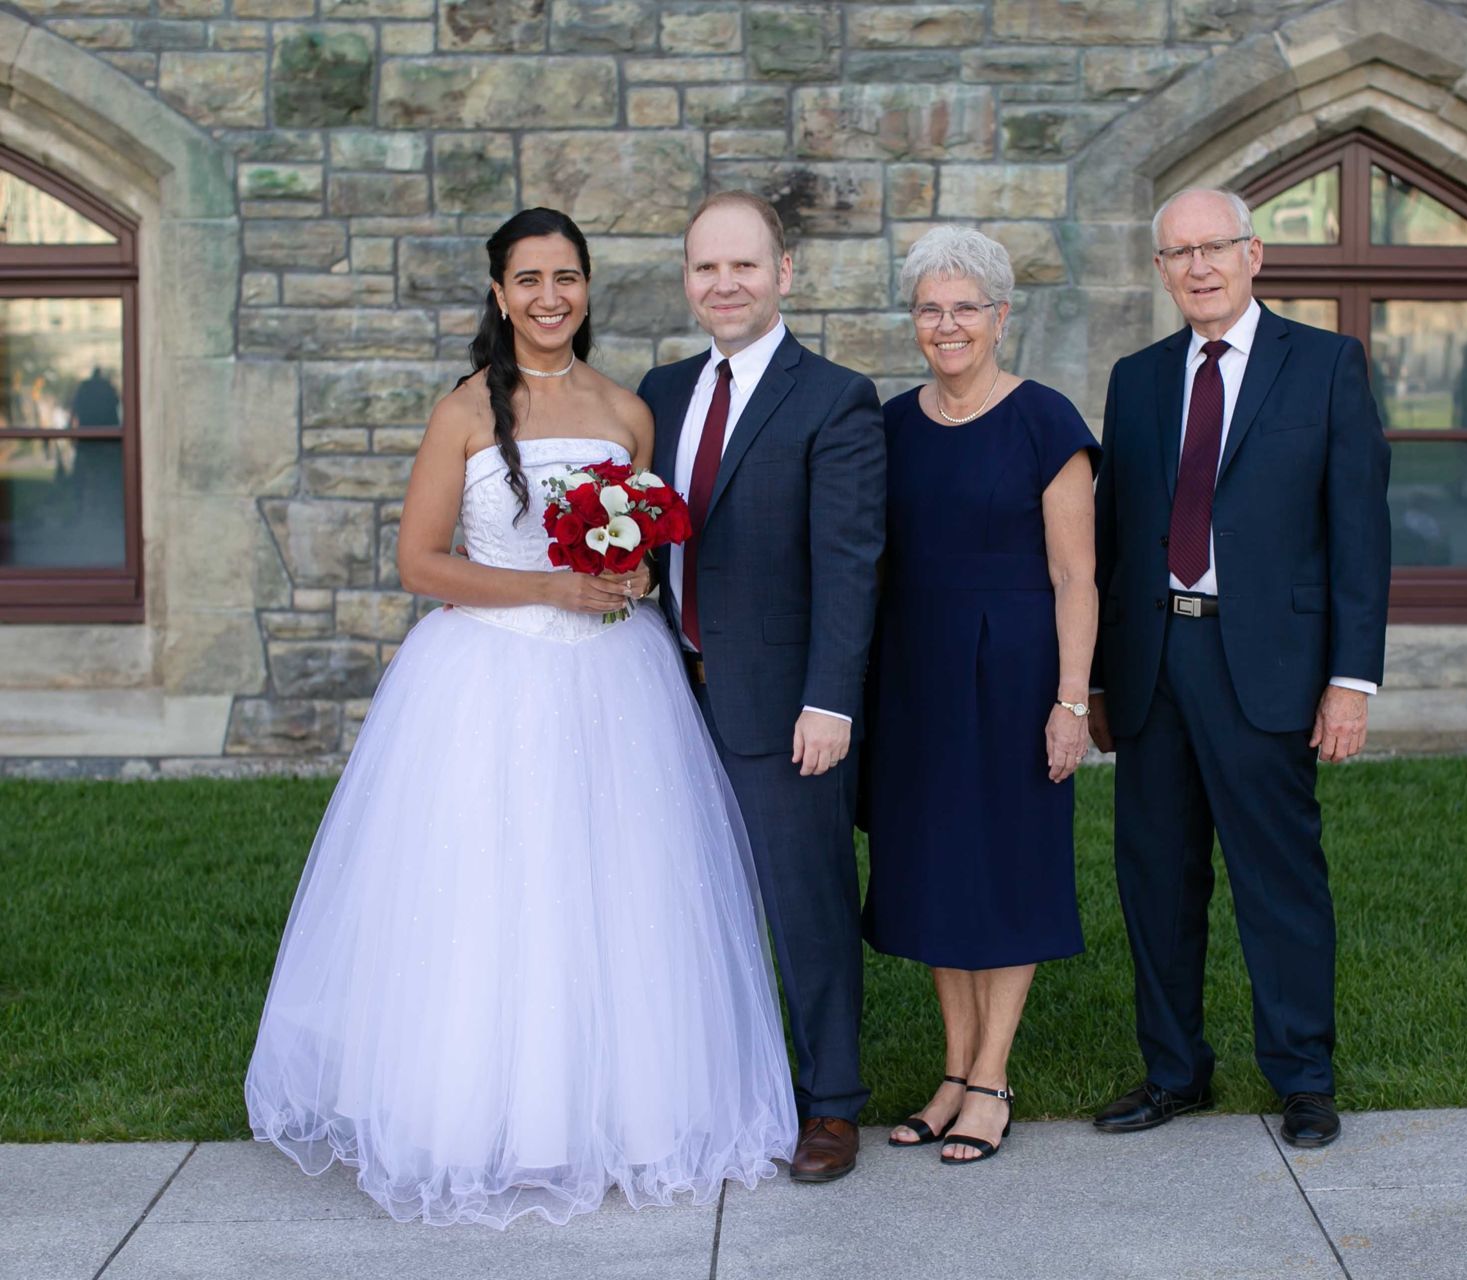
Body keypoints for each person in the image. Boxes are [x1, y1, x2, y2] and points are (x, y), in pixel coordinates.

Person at [245, 208, 796, 1228]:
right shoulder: (462, 410)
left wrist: (626, 574)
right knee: (489, 886)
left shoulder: (630, 412)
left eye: (568, 277)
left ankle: (624, 1114)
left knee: (616, 884)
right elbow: (421, 563)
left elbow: (640, 548)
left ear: (588, 288)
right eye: (529, 279)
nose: (551, 297)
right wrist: (548, 581)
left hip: (615, 681)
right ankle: (474, 1118)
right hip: (488, 677)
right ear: (499, 294)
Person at [1088, 188, 1390, 1149]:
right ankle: (1175, 1071)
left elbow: (1361, 535)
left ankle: (1303, 1076)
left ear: (1255, 254)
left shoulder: (1326, 366)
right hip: (1153, 659)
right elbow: (1113, 537)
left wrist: (1352, 679)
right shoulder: (1135, 380)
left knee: (1277, 876)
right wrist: (1096, 677)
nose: (1200, 266)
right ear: (1162, 270)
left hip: (1264, 660)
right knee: (1157, 877)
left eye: (1216, 246)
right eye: (1179, 253)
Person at [634, 191, 886, 1183]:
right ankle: (714, 1083)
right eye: (706, 268)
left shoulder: (835, 397)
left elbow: (851, 560)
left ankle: (831, 1101)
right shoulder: (657, 392)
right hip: (665, 690)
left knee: (805, 901)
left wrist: (831, 699)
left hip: (785, 703)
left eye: (744, 265)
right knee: (681, 898)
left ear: (785, 273)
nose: (724, 284)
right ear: (687, 280)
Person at [860, 226, 1097, 1165]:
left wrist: (1070, 702)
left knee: (1004, 868)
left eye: (965, 307)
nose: (947, 324)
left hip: (1015, 671)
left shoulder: (1046, 420)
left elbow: (1077, 576)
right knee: (935, 870)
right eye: (930, 308)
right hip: (915, 670)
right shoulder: (889, 426)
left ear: (1001, 316)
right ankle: (953, 1072)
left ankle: (993, 1080)